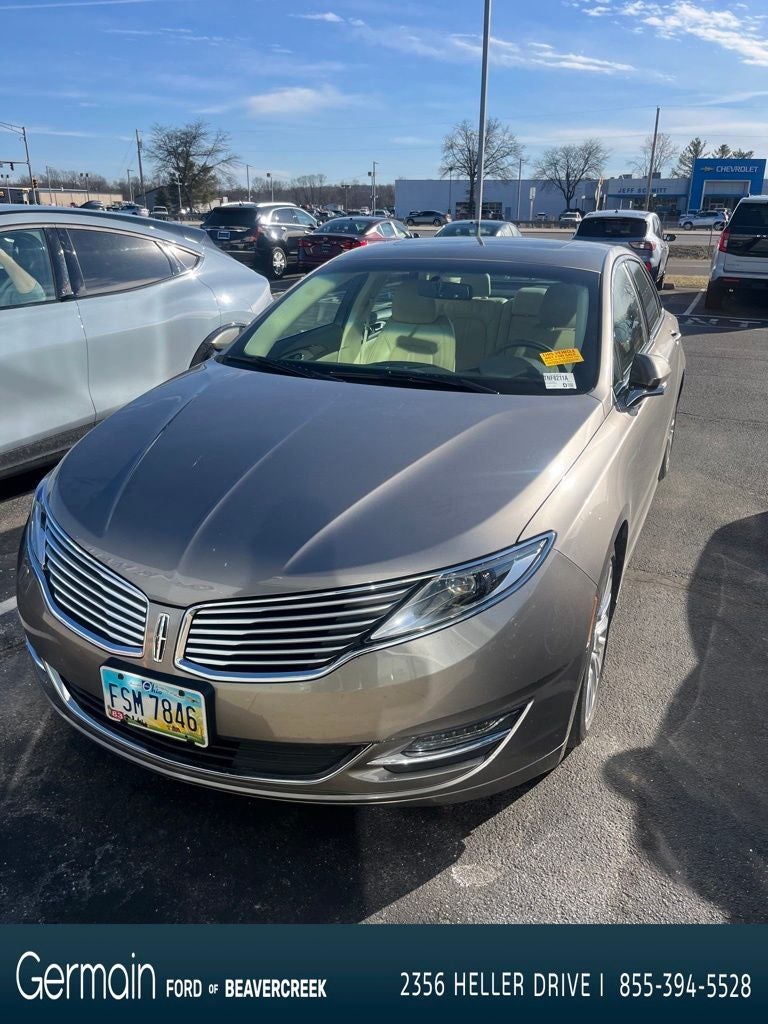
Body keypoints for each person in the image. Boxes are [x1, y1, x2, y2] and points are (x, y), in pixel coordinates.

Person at [0, 240, 46, 307]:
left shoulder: (27, 285)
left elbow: (35, 295)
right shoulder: (8, 275)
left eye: (31, 253)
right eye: (22, 252)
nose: (25, 255)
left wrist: (2, 256)